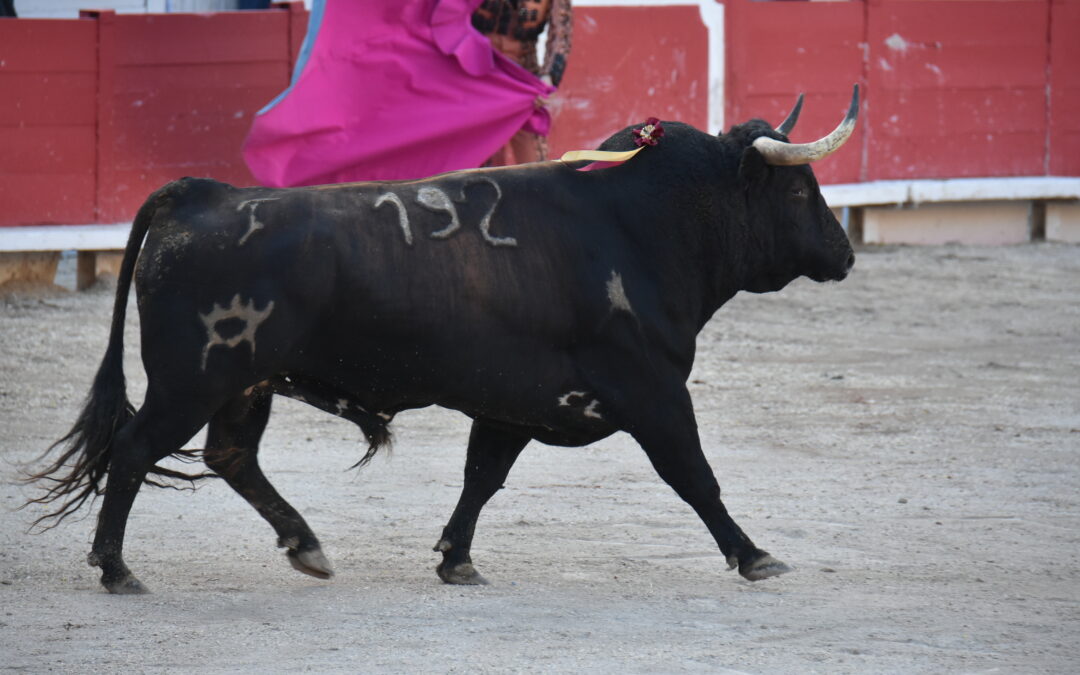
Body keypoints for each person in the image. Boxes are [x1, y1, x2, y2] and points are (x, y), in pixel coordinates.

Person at [473, 0, 572, 165]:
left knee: (533, 164)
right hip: (481, 78)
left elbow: (561, 35)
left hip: (525, 82)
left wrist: (549, 76)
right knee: (484, 160)